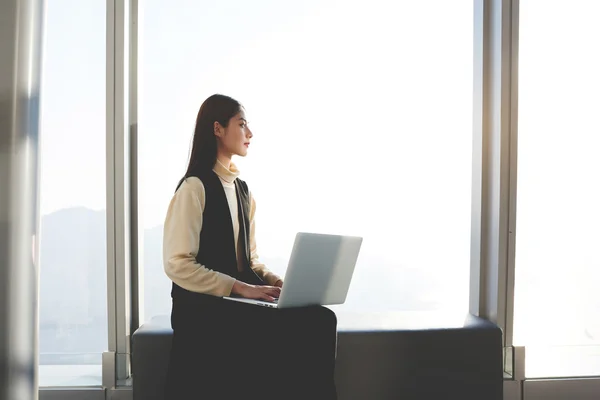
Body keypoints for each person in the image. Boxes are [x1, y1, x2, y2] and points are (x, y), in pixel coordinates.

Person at [162, 94, 338, 400]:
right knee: (304, 329)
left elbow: (250, 260)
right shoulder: (194, 187)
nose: (250, 134)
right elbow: (178, 264)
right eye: (242, 124)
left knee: (321, 318)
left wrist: (280, 283)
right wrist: (240, 288)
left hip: (238, 303)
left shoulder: (243, 191)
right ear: (217, 129)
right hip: (205, 309)